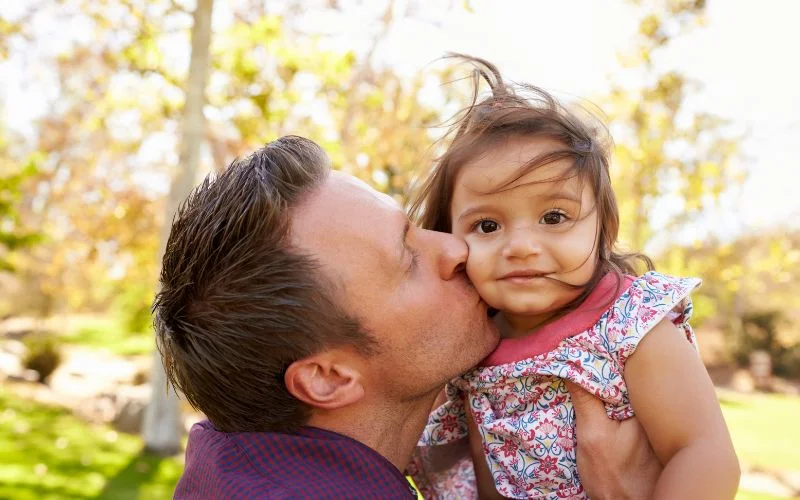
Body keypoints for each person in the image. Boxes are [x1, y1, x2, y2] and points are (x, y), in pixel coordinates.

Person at [156, 135, 663, 499]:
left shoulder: (231, 465)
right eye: (409, 259)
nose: (456, 248)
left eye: (415, 227)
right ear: (329, 378)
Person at [408, 55, 740, 499]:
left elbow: (704, 453)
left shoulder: (628, 326)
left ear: (603, 227)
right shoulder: (470, 350)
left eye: (554, 216)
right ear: (449, 238)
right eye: (487, 226)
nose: (521, 246)